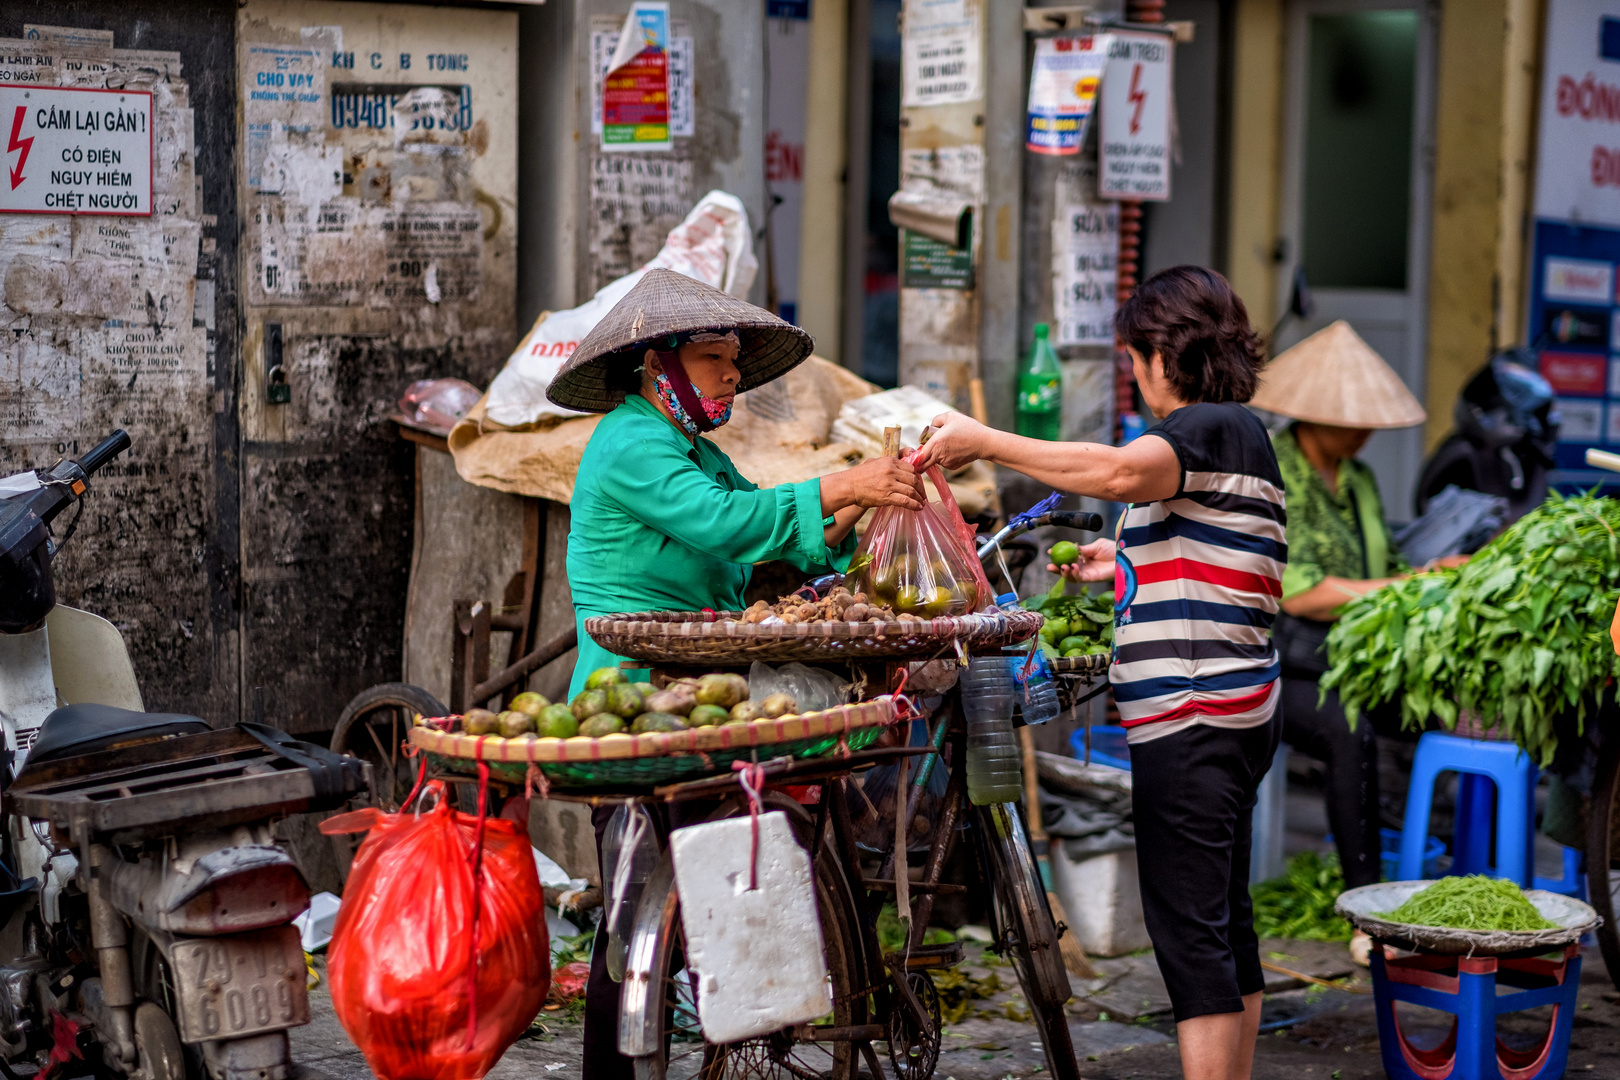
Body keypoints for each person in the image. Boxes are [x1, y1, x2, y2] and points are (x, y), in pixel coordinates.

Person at [547, 267, 923, 1078]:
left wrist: (868, 500)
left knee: (717, 879)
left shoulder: (692, 448)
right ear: (661, 364)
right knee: (630, 924)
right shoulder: (630, 443)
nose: (731, 374)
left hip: (705, 694)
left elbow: (774, 528)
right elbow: (724, 525)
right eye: (716, 357)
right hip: (634, 699)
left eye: (732, 359)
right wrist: (844, 481)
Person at [917, 265, 1284, 1080]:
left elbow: (1114, 472)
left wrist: (986, 440)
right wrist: (1123, 559)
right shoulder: (1235, 437)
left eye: (1134, 358)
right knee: (1223, 919)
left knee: (1190, 932)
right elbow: (1219, 550)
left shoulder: (1209, 426)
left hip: (1194, 718)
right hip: (1233, 710)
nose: (1135, 374)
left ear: (1165, 353)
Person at [1248, 320, 1451, 963]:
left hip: (1350, 656)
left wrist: (1427, 581)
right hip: (1277, 662)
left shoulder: (1358, 479)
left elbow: (1383, 565)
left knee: (1442, 713)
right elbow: (1297, 591)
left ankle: (1441, 881)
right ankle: (1366, 912)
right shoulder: (1277, 472)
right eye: (1352, 421)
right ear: (1316, 415)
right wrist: (1411, 582)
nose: (1364, 433)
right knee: (1348, 729)